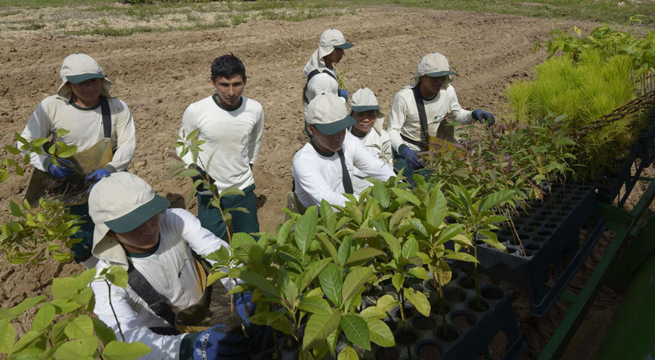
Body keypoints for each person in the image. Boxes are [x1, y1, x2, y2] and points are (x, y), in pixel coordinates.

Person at [88, 172, 258, 360]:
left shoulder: (175, 221)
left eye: (150, 216)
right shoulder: (107, 278)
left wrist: (243, 289)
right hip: (162, 337)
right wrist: (186, 347)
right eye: (133, 226)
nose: (148, 229)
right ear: (109, 231)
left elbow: (216, 250)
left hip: (202, 303)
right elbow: (126, 337)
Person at [19, 53, 136, 268]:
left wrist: (109, 169)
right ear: (69, 85)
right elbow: (26, 142)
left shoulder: (117, 107)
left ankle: (126, 267)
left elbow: (128, 144)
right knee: (81, 233)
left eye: (93, 81)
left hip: (107, 177)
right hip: (70, 184)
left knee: (121, 224)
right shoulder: (51, 107)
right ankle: (95, 273)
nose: (89, 88)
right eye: (81, 83)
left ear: (102, 81)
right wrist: (47, 164)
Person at [177, 54, 264, 239]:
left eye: (237, 84)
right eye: (224, 85)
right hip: (210, 193)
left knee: (251, 244)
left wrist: (249, 164)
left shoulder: (255, 109)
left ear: (245, 81)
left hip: (243, 188)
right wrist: (194, 171)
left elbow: (254, 140)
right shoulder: (196, 111)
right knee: (213, 248)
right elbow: (183, 144)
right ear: (213, 83)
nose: (231, 92)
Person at [387, 52, 495, 179]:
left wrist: (474, 114)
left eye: (442, 76)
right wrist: (405, 151)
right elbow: (392, 131)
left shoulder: (447, 92)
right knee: (412, 184)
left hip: (431, 149)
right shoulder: (404, 97)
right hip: (407, 150)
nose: (439, 81)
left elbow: (457, 114)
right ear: (422, 77)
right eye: (434, 77)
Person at [293, 93, 396, 210]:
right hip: (320, 218)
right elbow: (328, 200)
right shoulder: (305, 161)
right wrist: (371, 203)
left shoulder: (348, 141)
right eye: (331, 132)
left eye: (342, 129)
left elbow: (377, 167)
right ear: (311, 129)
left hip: (349, 209)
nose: (338, 137)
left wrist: (398, 186)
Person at [302, 28, 353, 136]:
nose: (343, 53)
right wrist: (343, 98)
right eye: (339, 50)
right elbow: (326, 112)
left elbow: (305, 71)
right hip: (321, 128)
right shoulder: (322, 80)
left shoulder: (316, 58)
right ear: (329, 50)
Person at [348, 87, 394, 194]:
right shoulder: (342, 137)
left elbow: (388, 168)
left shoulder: (382, 138)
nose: (366, 119)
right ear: (351, 115)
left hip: (373, 192)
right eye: (360, 115)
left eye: (371, 114)